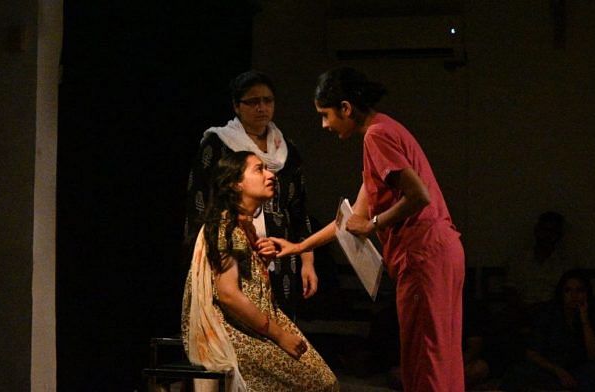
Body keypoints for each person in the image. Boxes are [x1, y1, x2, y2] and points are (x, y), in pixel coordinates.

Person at [270, 67, 466, 391]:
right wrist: (298, 247)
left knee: (427, 361)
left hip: (424, 254)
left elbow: (419, 195)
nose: (324, 125)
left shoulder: (377, 134)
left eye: (325, 115)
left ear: (346, 108)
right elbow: (348, 222)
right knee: (435, 357)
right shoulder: (381, 133)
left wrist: (375, 223)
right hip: (437, 253)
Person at [181, 151, 338, 391]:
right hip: (240, 335)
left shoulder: (245, 228)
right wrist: (280, 336)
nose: (270, 175)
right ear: (236, 183)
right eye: (259, 169)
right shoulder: (227, 226)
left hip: (258, 328)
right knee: (319, 384)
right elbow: (229, 295)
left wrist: (259, 261)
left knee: (325, 382)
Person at [184, 70, 317, 321]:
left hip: (279, 253)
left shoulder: (287, 150)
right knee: (239, 317)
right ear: (237, 106)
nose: (262, 108)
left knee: (281, 324)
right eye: (253, 102)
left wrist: (307, 262)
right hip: (232, 249)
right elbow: (199, 203)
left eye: (268, 101)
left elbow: (299, 209)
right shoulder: (219, 144)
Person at [502, 269, 595, 391]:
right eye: (568, 290)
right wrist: (557, 370)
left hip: (579, 370)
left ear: (587, 293)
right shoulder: (548, 313)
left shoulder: (594, 314)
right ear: (561, 293)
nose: (574, 296)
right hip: (551, 369)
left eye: (579, 291)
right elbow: (532, 352)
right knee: (519, 372)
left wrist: (585, 321)